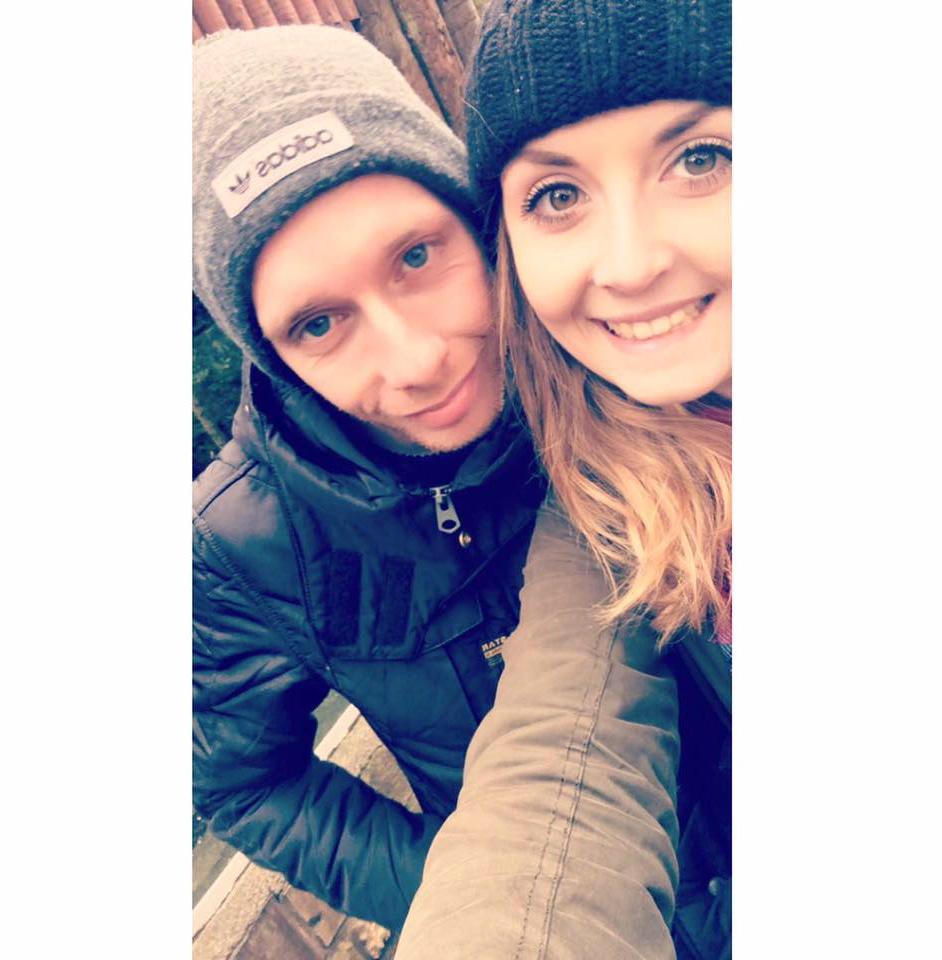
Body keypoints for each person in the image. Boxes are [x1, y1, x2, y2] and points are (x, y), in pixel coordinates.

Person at [191, 24, 549, 932]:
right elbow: (243, 784)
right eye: (319, 324)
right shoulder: (244, 544)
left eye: (416, 257)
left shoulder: (618, 355)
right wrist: (469, 898)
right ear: (268, 354)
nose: (418, 361)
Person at [396, 1, 731, 958]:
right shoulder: (608, 495)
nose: (628, 264)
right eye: (556, 196)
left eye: (701, 159)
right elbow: (557, 765)